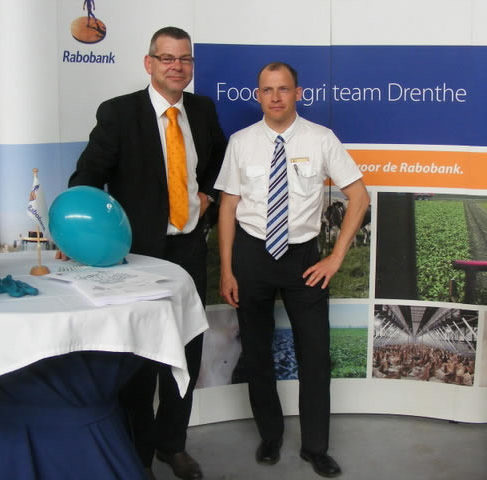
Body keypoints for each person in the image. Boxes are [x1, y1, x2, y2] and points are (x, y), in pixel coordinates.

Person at [67, 26, 227, 480]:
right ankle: (136, 457)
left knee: (186, 353)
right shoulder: (119, 113)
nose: (177, 66)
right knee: (137, 360)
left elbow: (218, 164)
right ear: (149, 63)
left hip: (189, 250)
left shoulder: (202, 109)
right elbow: (86, 178)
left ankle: (172, 445)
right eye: (167, 58)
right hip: (136, 258)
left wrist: (208, 197)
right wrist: (83, 235)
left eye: (185, 59)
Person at [214, 62, 370, 478]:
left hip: (304, 258)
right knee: (257, 351)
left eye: (283, 89)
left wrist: (335, 258)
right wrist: (227, 269)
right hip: (252, 256)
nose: (276, 97)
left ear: (298, 93)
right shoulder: (241, 142)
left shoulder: (322, 139)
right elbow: (228, 207)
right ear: (258, 95)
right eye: (267, 90)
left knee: (315, 354)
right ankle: (270, 435)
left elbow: (359, 196)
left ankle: (316, 447)